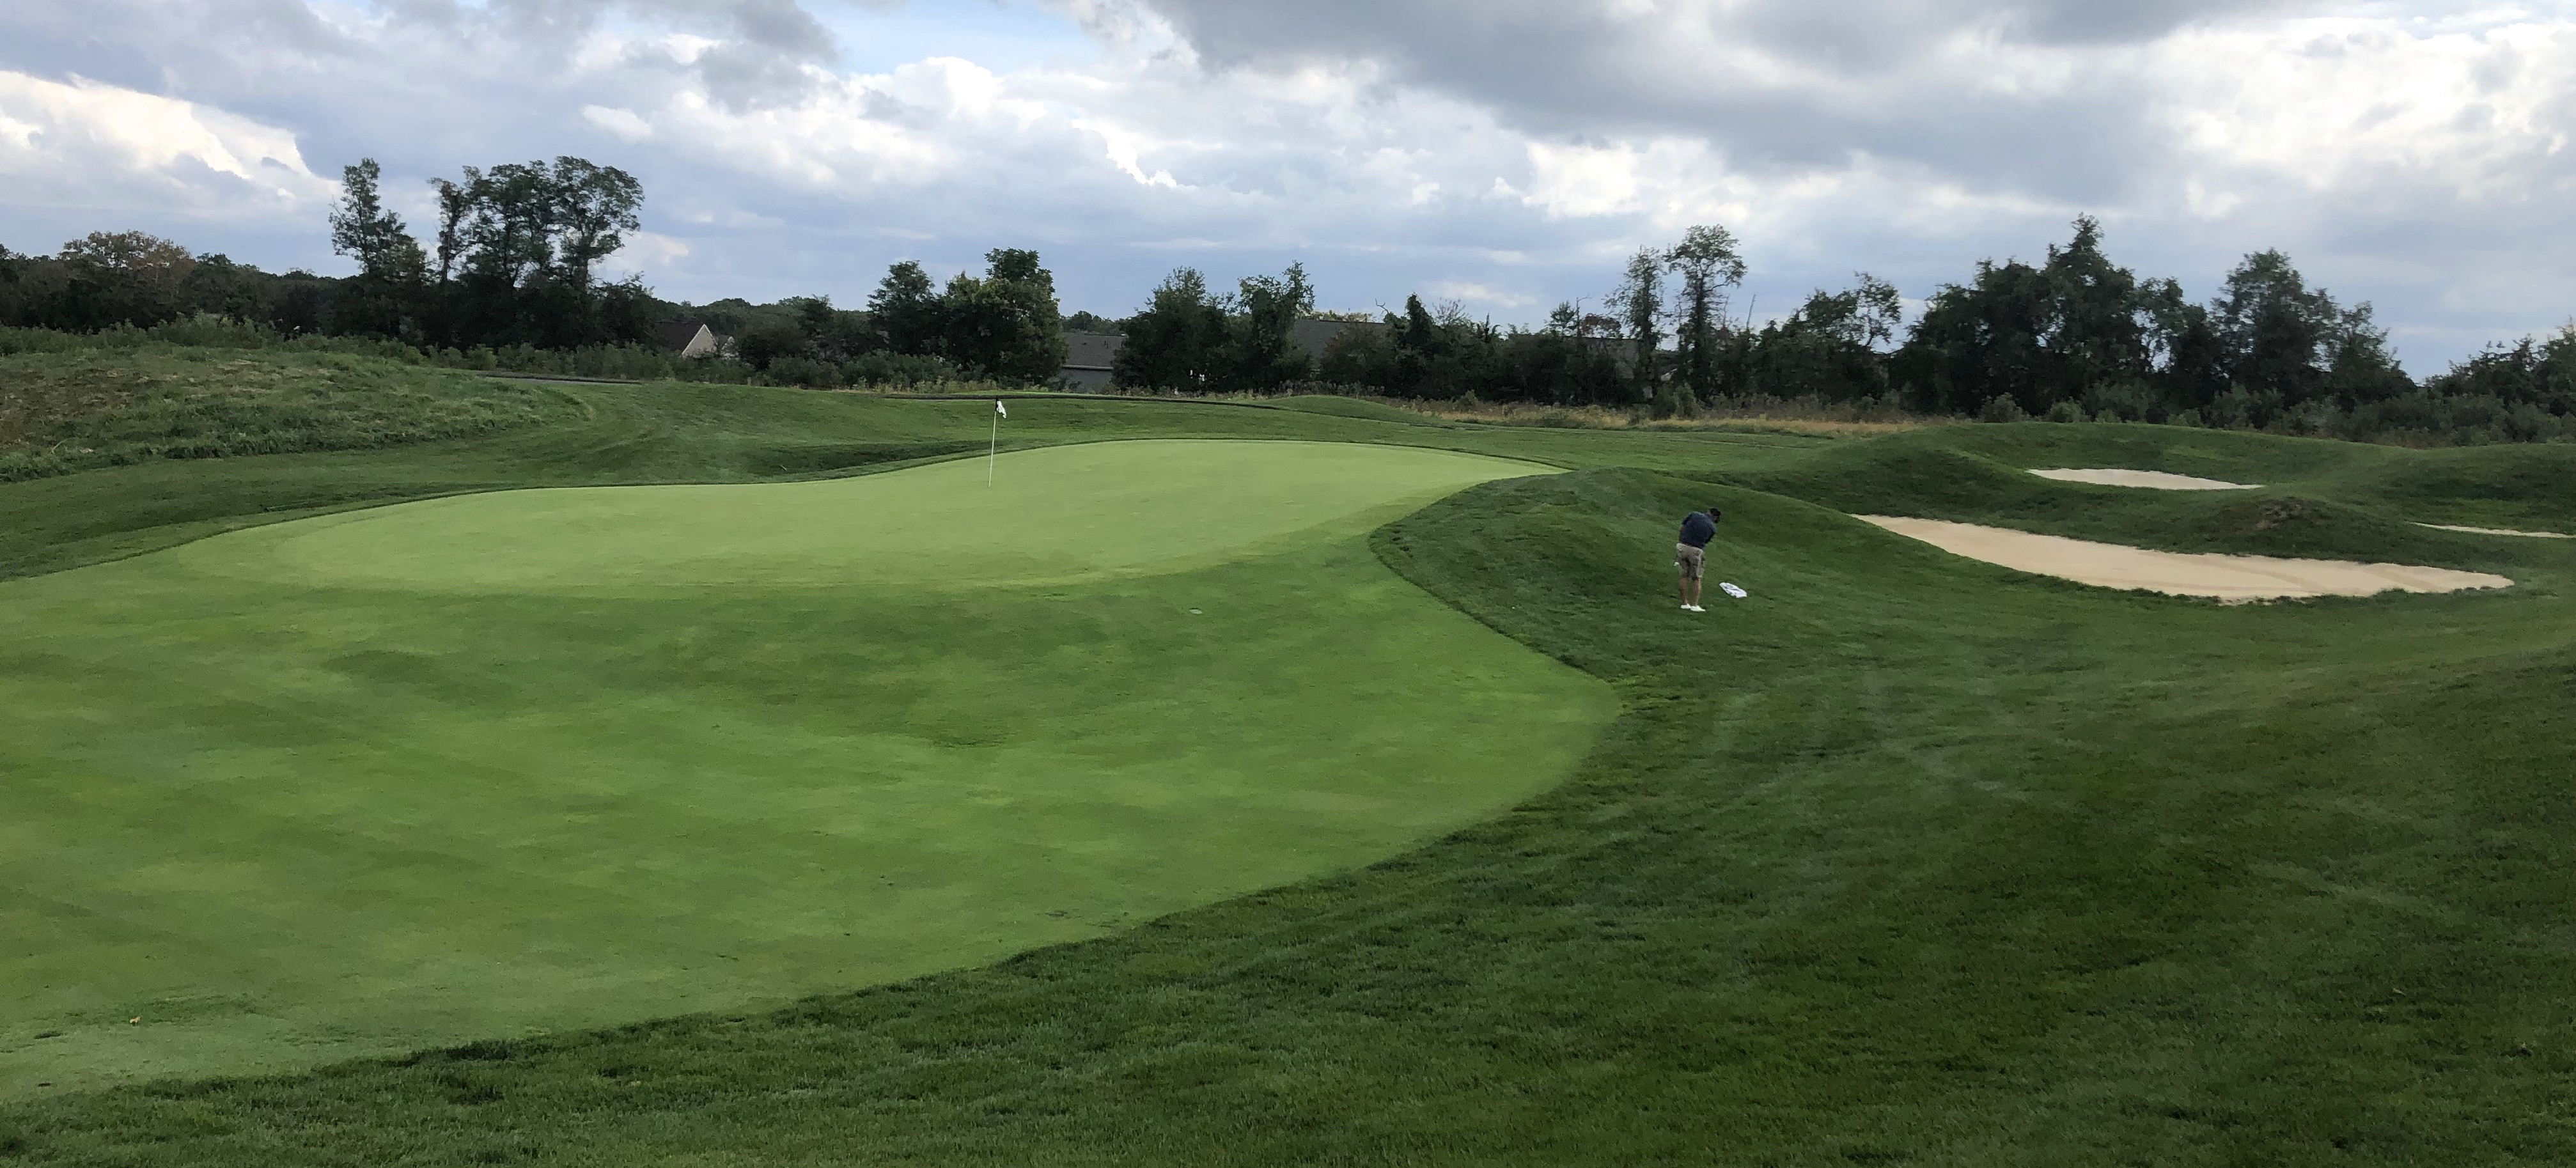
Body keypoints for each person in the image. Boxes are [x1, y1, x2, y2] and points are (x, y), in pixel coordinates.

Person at [1675, 506, 1720, 612]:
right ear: (1715, 517)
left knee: (1684, 575)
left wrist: (1681, 541)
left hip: (1682, 547)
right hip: (1696, 550)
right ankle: (1695, 605)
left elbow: (1682, 528)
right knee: (1696, 578)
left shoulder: (1694, 514)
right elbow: (1706, 541)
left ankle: (1684, 603)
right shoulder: (1712, 528)